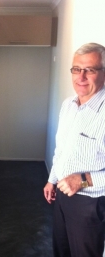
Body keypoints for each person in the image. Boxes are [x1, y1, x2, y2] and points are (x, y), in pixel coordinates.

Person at [44, 42, 105, 257]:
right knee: (61, 251)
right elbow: (62, 148)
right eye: (77, 69)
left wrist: (82, 179)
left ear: (103, 73)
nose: (81, 77)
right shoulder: (68, 105)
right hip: (62, 195)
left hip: (89, 204)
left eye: (90, 70)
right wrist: (52, 179)